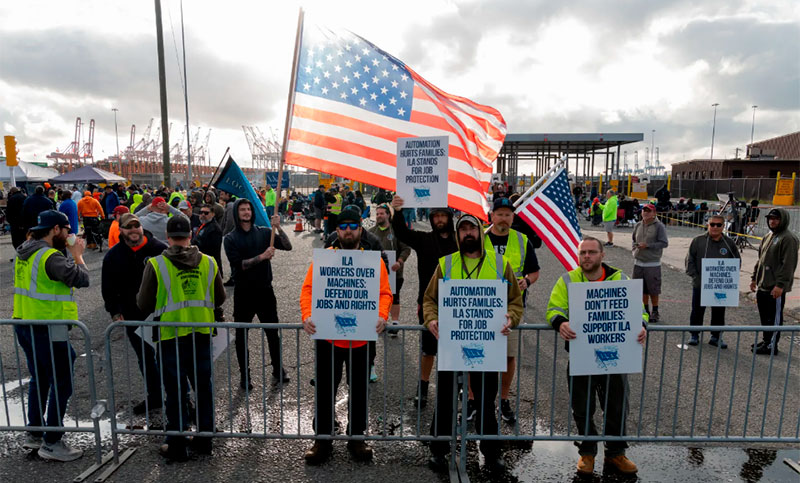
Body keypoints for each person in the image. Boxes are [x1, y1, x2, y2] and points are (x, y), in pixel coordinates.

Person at [422, 213, 523, 473]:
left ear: (480, 232)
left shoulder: (501, 265)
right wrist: (431, 319)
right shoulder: (446, 264)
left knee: (486, 401)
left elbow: (514, 300)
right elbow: (430, 299)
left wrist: (511, 317)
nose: (468, 233)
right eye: (463, 229)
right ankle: (438, 450)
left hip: (486, 347)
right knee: (445, 399)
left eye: (472, 228)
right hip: (451, 345)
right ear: (458, 235)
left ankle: (491, 453)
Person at [546, 237, 647, 476]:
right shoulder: (568, 279)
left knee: (617, 405)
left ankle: (616, 453)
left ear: (602, 255)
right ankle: (588, 453)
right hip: (581, 355)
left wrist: (642, 324)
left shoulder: (620, 279)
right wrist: (560, 322)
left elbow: (639, 309)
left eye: (592, 252)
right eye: (583, 253)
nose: (587, 257)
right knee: (582, 406)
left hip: (616, 356)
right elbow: (554, 308)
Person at [300, 209, 392, 465]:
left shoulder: (373, 260)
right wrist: (307, 315)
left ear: (361, 230)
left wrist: (383, 315)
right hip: (328, 338)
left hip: (361, 339)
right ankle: (322, 439)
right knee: (325, 389)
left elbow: (385, 293)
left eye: (353, 225)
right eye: (344, 227)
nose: (348, 230)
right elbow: (308, 290)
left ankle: (357, 437)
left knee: (360, 390)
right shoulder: (324, 259)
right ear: (337, 231)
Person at [137, 215, 225, 461]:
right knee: (203, 388)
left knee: (175, 391)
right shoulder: (209, 262)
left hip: (170, 336)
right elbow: (220, 298)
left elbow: (143, 303)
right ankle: (205, 439)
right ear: (191, 235)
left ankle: (177, 443)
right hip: (201, 333)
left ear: (168, 237)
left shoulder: (156, 264)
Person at [13, 210, 89, 461]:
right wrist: (78, 256)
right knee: (62, 381)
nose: (70, 235)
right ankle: (52, 442)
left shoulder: (26, 249)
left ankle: (35, 433)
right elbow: (82, 279)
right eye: (67, 230)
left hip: (25, 322)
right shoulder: (49, 256)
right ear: (55, 229)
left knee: (41, 378)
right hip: (48, 326)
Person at [391, 195, 458, 407]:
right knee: (428, 349)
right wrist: (398, 211)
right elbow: (401, 233)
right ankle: (423, 385)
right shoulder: (425, 240)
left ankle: (462, 387)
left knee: (457, 348)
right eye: (436, 216)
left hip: (458, 304)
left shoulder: (461, 241)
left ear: (449, 217)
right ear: (431, 219)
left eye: (443, 216)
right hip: (429, 305)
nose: (439, 220)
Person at [102, 213, 168, 414]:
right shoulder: (113, 255)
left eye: (136, 226)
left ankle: (180, 399)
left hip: (162, 314)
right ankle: (155, 397)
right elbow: (108, 288)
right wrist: (114, 311)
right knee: (146, 359)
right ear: (120, 230)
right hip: (133, 316)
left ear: (142, 227)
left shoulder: (160, 249)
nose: (133, 230)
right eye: (128, 227)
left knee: (170, 358)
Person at [481, 197, 539, 425]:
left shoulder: (522, 240)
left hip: (511, 308)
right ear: (492, 216)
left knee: (508, 356)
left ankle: (503, 400)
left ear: (513, 217)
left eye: (508, 214)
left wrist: (527, 280)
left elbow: (534, 272)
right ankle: (475, 400)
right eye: (500, 214)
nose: (503, 218)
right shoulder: (480, 237)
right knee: (476, 354)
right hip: (481, 307)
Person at [223, 198, 292, 390]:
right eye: (242, 209)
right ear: (236, 213)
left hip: (265, 291)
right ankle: (245, 376)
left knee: (272, 332)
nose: (246, 212)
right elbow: (239, 265)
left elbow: (287, 246)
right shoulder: (230, 239)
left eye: (248, 209)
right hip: (243, 293)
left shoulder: (264, 233)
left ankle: (278, 369)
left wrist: (278, 228)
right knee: (241, 335)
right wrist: (262, 257)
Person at [685, 214, 741, 348]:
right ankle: (694, 334)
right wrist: (696, 278)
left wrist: (729, 278)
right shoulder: (698, 241)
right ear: (707, 225)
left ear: (723, 227)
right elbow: (689, 261)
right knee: (697, 311)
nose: (715, 227)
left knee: (719, 312)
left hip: (719, 285)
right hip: (700, 284)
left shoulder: (729, 243)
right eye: (712, 224)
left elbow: (736, 262)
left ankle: (716, 336)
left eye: (718, 225)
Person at [750, 208, 798, 355]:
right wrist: (754, 278)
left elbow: (788, 264)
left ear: (782, 219)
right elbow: (761, 259)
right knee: (765, 317)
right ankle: (766, 340)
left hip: (775, 288)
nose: (772, 221)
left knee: (775, 318)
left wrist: (780, 285)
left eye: (776, 218)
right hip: (763, 284)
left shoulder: (788, 238)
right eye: (770, 218)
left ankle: (772, 345)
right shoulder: (768, 236)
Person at [367, 204, 410, 333]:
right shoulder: (370, 232)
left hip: (394, 272)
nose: (379, 216)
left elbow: (406, 249)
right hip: (376, 274)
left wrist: (400, 261)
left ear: (388, 215)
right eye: (377, 213)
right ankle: (380, 321)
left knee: (394, 297)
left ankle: (395, 322)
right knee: (376, 297)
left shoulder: (396, 231)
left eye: (382, 213)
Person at [632, 203, 668, 322]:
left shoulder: (659, 226)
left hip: (652, 263)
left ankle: (655, 311)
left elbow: (664, 243)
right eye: (644, 210)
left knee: (653, 289)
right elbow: (633, 239)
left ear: (654, 213)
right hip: (638, 262)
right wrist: (635, 249)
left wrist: (648, 246)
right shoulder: (638, 225)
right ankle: (645, 310)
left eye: (648, 211)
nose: (645, 212)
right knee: (641, 289)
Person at [192, 204, 224, 278]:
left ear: (213, 214)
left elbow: (212, 250)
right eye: (201, 212)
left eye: (206, 213)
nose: (203, 215)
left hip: (210, 267)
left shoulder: (214, 229)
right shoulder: (204, 224)